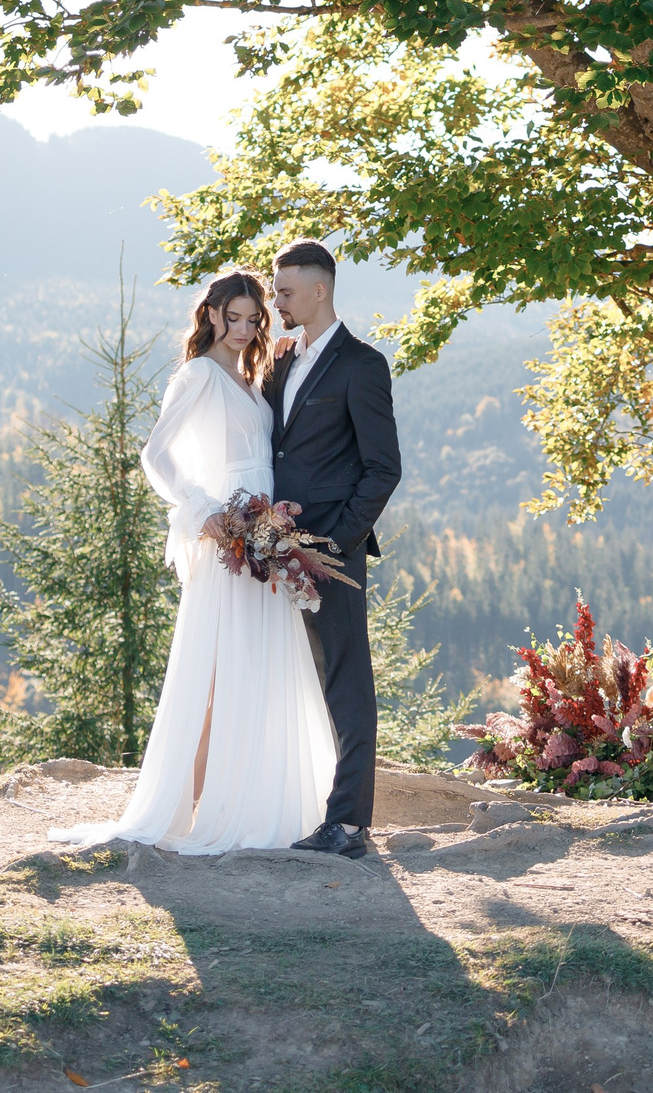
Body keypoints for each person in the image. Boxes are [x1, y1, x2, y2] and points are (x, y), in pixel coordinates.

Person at [48, 272, 337, 854]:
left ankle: (254, 799)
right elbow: (157, 453)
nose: (245, 328)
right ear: (211, 316)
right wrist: (202, 508)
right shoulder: (200, 374)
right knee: (214, 674)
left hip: (263, 538)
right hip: (228, 536)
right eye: (235, 317)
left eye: (255, 319)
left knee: (256, 667)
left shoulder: (250, 377)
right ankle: (200, 807)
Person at [267, 240, 401, 861]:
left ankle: (348, 824)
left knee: (346, 682)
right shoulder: (278, 362)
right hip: (266, 548)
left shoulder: (362, 365)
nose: (276, 301)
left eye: (285, 291)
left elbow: (383, 469)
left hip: (330, 554)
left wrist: (335, 545)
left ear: (320, 289)